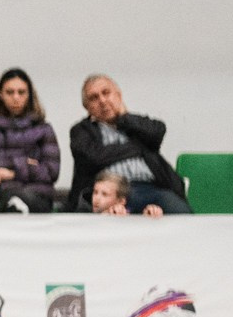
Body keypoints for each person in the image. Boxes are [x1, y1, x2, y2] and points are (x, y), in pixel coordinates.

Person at [67, 75, 192, 215]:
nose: (102, 100)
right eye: (94, 98)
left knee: (181, 213)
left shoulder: (136, 124)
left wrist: (124, 117)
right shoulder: (81, 130)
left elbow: (158, 132)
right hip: (108, 192)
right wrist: (138, 147)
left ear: (118, 95)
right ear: (87, 107)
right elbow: (94, 157)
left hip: (150, 188)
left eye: (106, 93)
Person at [0, 67, 60, 212]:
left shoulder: (44, 130)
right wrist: (28, 164)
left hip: (38, 198)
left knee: (19, 199)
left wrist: (12, 172)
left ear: (29, 94)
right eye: (10, 92)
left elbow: (51, 172)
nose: (16, 97)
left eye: (21, 92)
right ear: (0, 94)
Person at [90, 170, 166, 218]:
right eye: (95, 192)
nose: (97, 198)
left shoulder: (128, 215)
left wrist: (149, 215)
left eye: (104, 194)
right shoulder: (83, 208)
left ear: (121, 201)